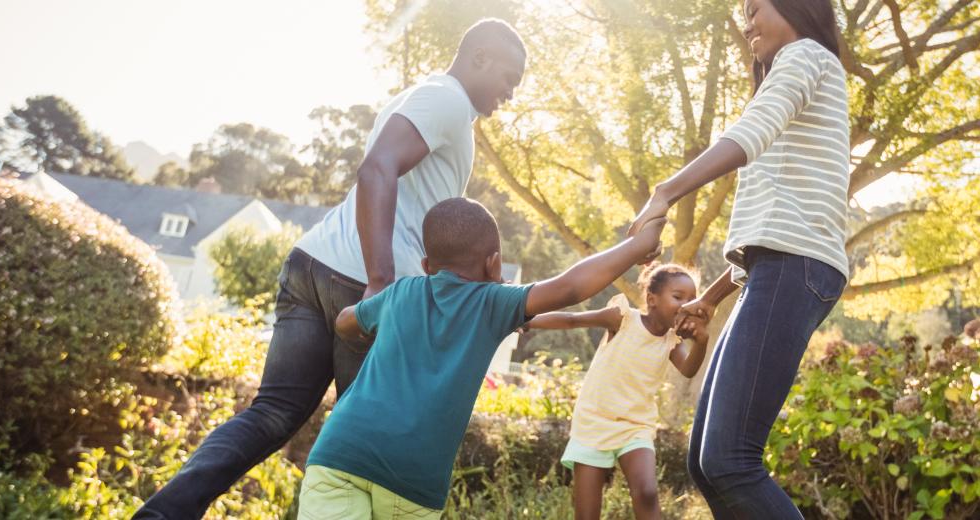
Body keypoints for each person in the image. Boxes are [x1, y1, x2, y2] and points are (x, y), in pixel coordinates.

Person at [135, 19, 527, 519]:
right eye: (509, 77)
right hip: (362, 284)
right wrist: (380, 281)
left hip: (314, 265)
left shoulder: (428, 98)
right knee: (363, 447)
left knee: (275, 412)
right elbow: (376, 168)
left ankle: (162, 514)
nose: (510, 93)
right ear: (478, 59)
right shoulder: (447, 99)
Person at [297, 198, 666, 519]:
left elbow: (347, 320)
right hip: (410, 479)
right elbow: (570, 286)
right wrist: (639, 244)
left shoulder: (401, 292)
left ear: (426, 265)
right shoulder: (492, 303)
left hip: (340, 454)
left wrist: (361, 327)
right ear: (494, 264)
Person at [624, 0, 852, 516]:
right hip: (778, 268)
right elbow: (774, 227)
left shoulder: (805, 55)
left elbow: (748, 136)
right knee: (707, 464)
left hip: (795, 269)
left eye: (754, 8)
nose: (746, 21)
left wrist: (666, 192)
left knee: (731, 460)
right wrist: (711, 296)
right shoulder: (804, 68)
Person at [524, 264, 710, 520]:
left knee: (646, 493)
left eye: (692, 299)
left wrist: (702, 342)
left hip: (635, 425)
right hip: (594, 421)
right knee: (587, 514)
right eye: (678, 297)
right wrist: (525, 321)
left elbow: (689, 370)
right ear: (652, 299)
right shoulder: (621, 318)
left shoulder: (671, 341)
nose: (685, 305)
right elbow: (572, 320)